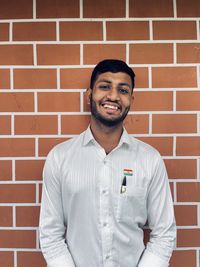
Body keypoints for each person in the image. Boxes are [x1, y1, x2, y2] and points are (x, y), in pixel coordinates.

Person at [39, 59, 176, 267]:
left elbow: (164, 234)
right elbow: (50, 234)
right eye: (104, 86)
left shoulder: (150, 160)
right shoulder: (60, 158)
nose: (113, 96)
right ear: (89, 95)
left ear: (131, 99)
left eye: (123, 90)